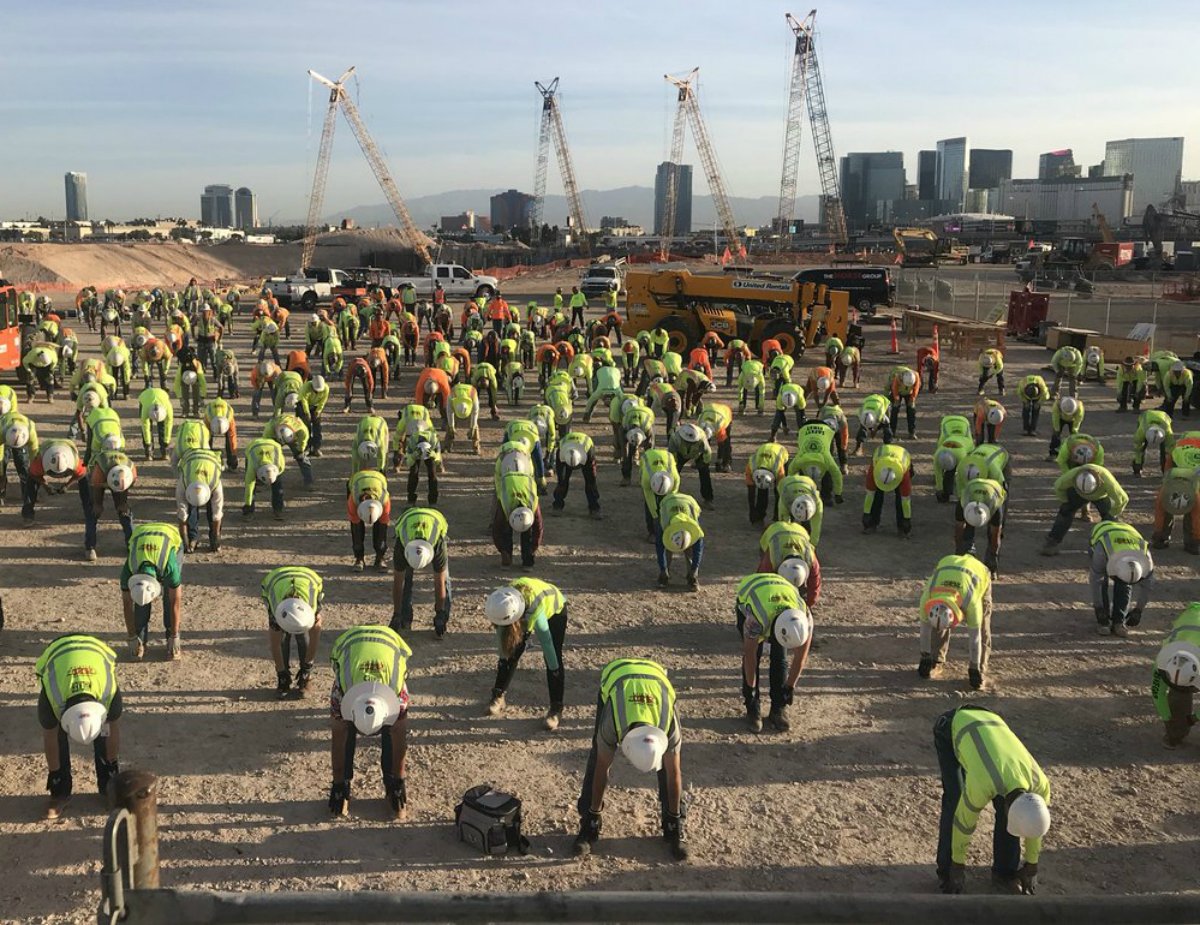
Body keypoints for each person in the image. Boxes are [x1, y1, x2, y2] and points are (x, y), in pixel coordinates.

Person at [573, 657, 687, 860]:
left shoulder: (667, 724)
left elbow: (674, 772)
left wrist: (675, 816)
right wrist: (594, 812)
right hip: (617, 676)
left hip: (657, 680)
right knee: (598, 751)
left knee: (670, 766)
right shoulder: (613, 721)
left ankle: (674, 826)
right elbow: (602, 767)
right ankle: (589, 824)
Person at [934, 706, 1050, 895]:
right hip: (953, 725)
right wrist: (958, 865)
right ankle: (947, 872)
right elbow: (963, 823)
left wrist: (1032, 864)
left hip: (992, 723)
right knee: (955, 800)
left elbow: (1034, 822)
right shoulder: (982, 782)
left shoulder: (1040, 785)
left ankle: (1005, 873)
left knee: (1012, 817)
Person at [327, 624, 413, 819]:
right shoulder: (340, 693)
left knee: (392, 731)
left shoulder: (398, 697)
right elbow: (338, 737)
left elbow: (399, 739)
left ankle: (391, 784)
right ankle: (345, 785)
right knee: (345, 729)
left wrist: (400, 781)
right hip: (349, 644)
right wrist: (338, 782)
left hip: (391, 643)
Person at [34, 634, 122, 818]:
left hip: (96, 650)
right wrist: (54, 774)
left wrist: (112, 764)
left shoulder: (109, 692)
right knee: (55, 735)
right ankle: (60, 792)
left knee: (105, 733)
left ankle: (109, 786)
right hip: (58, 650)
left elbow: (111, 729)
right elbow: (49, 736)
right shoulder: (52, 698)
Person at [483, 579, 568, 729]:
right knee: (510, 651)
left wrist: (553, 669)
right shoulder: (500, 601)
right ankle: (498, 695)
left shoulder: (535, 610)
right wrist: (506, 654)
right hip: (521, 605)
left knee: (553, 656)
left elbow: (547, 645)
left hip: (555, 608)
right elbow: (504, 648)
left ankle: (556, 708)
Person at [735, 573, 813, 733]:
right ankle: (752, 708)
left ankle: (778, 708)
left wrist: (790, 686)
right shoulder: (755, 618)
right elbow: (749, 655)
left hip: (782, 592)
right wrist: (751, 689)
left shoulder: (805, 618)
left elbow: (801, 657)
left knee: (780, 656)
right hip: (752, 591)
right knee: (755, 655)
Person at [121, 521, 184, 659]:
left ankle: (170, 640)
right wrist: (131, 636)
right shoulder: (129, 570)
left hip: (169, 534)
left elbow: (175, 602)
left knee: (169, 597)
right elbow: (127, 604)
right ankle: (140, 641)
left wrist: (175, 635)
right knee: (141, 601)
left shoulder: (169, 567)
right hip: (141, 534)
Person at [261, 566, 324, 697]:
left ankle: (306, 679)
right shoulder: (275, 606)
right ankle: (283, 680)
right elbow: (275, 644)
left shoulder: (312, 607)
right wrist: (281, 671)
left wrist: (307, 668)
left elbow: (314, 638)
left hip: (308, 578)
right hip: (276, 581)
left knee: (303, 636)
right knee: (283, 638)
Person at [1041, 464, 1128, 555]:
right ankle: (1051, 543)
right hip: (1078, 493)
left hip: (1100, 496)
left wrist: (1112, 513)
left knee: (1110, 520)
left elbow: (1123, 499)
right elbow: (1058, 487)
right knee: (1065, 512)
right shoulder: (1071, 476)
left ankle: (1112, 545)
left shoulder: (1107, 481)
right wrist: (1066, 502)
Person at [1089, 521, 1154, 636]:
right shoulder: (1102, 551)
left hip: (1128, 532)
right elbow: (1096, 581)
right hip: (1102, 533)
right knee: (1102, 582)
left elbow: (1147, 586)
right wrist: (1098, 608)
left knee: (1124, 585)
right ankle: (1103, 622)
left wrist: (1139, 610)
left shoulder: (1146, 560)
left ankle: (1119, 621)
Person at [1152, 604, 1200, 748]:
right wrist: (1168, 719)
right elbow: (1157, 693)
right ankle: (1176, 733)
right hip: (1193, 615)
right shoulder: (1162, 661)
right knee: (1179, 694)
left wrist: (1194, 718)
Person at [86, 449, 136, 561]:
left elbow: (125, 487)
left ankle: (132, 544)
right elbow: (96, 487)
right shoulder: (99, 471)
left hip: (119, 479)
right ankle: (90, 547)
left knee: (125, 512)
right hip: (97, 480)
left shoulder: (131, 471)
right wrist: (97, 504)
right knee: (93, 512)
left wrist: (123, 503)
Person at [22, 439, 87, 524]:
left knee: (86, 483)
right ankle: (27, 516)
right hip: (48, 446)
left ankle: (89, 514)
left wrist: (67, 485)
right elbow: (32, 474)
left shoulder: (75, 462)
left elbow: (82, 473)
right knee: (31, 483)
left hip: (68, 445)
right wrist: (46, 485)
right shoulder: (40, 461)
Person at [757, 520, 821, 606]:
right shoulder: (773, 557)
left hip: (799, 530)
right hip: (774, 530)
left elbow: (814, 582)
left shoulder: (810, 558)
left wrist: (808, 604)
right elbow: (762, 579)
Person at [176, 447, 224, 553]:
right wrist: (184, 539)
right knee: (190, 509)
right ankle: (193, 538)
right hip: (190, 458)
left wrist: (216, 537)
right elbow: (182, 513)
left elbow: (217, 513)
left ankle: (213, 540)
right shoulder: (183, 482)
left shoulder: (215, 483)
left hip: (211, 460)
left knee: (212, 510)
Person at [654, 490, 704, 590]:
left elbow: (698, 551)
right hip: (668, 502)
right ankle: (664, 575)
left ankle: (692, 577)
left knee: (690, 551)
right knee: (667, 547)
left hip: (690, 502)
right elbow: (660, 547)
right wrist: (663, 568)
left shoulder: (696, 531)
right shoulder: (664, 524)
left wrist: (694, 569)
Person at [789, 419, 844, 505]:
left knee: (826, 471)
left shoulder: (800, 460)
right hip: (816, 428)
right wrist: (838, 493)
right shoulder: (826, 460)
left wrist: (793, 491)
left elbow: (791, 475)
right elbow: (837, 475)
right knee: (829, 471)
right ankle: (826, 496)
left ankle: (804, 492)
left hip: (810, 427)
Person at [863, 443, 913, 537]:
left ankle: (902, 527)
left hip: (903, 456)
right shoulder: (874, 470)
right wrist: (866, 512)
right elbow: (870, 494)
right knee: (876, 496)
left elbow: (905, 499)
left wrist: (907, 518)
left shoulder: (904, 473)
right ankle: (872, 523)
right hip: (882, 455)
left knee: (900, 498)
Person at [494, 469, 541, 568]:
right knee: (505, 530)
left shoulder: (533, 505)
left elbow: (538, 529)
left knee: (528, 533)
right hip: (507, 480)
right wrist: (502, 550)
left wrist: (532, 549)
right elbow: (497, 529)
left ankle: (528, 560)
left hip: (526, 481)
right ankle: (507, 556)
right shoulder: (504, 506)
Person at [346, 467, 391, 571]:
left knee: (381, 528)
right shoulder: (353, 500)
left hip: (378, 479)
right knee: (356, 528)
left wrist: (381, 547)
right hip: (357, 479)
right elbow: (355, 525)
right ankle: (359, 558)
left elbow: (383, 527)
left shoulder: (384, 500)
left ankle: (380, 558)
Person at [1151, 465, 1200, 553]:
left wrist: (1159, 532)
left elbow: (1160, 515)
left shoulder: (1164, 494)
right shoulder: (1164, 495)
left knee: (1164, 512)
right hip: (1179, 482)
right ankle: (1192, 543)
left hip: (1180, 481)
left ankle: (1161, 538)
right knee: (1194, 517)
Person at [552, 431, 602, 518]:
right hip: (566, 447)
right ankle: (557, 504)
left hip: (585, 446)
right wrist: (561, 478)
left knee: (591, 481)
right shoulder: (560, 453)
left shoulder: (588, 451)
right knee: (562, 481)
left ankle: (594, 507)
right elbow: (561, 475)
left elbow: (592, 476)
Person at [668, 422, 714, 510]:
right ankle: (670, 495)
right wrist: (674, 466)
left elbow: (707, 452)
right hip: (680, 453)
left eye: (692, 442)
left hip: (697, 453)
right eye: (687, 442)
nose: (690, 443)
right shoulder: (674, 438)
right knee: (673, 473)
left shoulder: (702, 438)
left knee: (705, 472)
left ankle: (708, 499)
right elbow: (671, 455)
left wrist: (704, 463)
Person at [640, 446, 680, 543]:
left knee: (666, 503)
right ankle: (652, 532)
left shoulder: (675, 478)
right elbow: (650, 500)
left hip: (667, 457)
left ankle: (667, 529)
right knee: (650, 506)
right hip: (648, 457)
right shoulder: (646, 478)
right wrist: (655, 517)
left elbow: (672, 497)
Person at [745, 440, 789, 527]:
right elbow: (751, 491)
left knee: (778, 492)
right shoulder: (751, 466)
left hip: (781, 452)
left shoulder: (778, 468)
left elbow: (781, 493)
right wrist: (752, 512)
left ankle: (778, 518)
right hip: (764, 451)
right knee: (762, 492)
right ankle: (759, 517)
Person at [264, 412, 314, 487]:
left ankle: (309, 481)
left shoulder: (302, 430)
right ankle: (266, 477)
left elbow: (303, 440)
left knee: (302, 458)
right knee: (270, 457)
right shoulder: (270, 429)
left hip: (294, 438)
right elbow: (265, 443)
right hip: (275, 437)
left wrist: (300, 450)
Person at [242, 436, 286, 519]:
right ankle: (249, 510)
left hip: (273, 445)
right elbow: (249, 486)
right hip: (254, 446)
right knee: (253, 487)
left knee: (277, 485)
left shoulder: (280, 466)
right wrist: (248, 503)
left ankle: (278, 509)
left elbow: (279, 475)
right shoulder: (253, 466)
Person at [399, 420, 441, 507]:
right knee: (413, 473)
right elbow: (409, 462)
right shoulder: (412, 441)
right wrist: (414, 456)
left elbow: (438, 459)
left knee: (432, 474)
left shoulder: (433, 439)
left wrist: (434, 455)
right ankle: (411, 500)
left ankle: (433, 501)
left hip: (430, 451)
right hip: (416, 451)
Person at [933, 415, 974, 503]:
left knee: (961, 472)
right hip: (955, 423)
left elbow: (960, 475)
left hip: (959, 425)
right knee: (955, 473)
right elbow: (938, 472)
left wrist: (940, 490)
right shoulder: (937, 455)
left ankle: (948, 492)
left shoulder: (962, 454)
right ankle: (949, 492)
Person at [1132, 409, 1172, 476]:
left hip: (1164, 417)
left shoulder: (1167, 430)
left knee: (1165, 450)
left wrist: (1168, 466)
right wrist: (1137, 465)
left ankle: (1164, 470)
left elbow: (1171, 448)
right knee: (1141, 448)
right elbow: (1137, 449)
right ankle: (1138, 469)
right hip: (1145, 417)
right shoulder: (1142, 431)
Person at [1048, 395, 1084, 460]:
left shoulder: (1079, 407)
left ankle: (1075, 454)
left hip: (1073, 420)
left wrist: (1075, 429)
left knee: (1074, 436)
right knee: (1056, 434)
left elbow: (1078, 419)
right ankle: (1053, 453)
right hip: (1060, 418)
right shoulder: (1057, 405)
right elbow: (1055, 417)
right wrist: (1057, 429)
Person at [889, 365, 920, 437]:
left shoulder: (916, 376)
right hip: (898, 392)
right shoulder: (897, 377)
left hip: (910, 392)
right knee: (894, 410)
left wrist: (912, 398)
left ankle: (912, 432)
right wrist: (896, 398)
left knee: (911, 411)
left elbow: (916, 388)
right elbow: (894, 388)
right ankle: (892, 431)